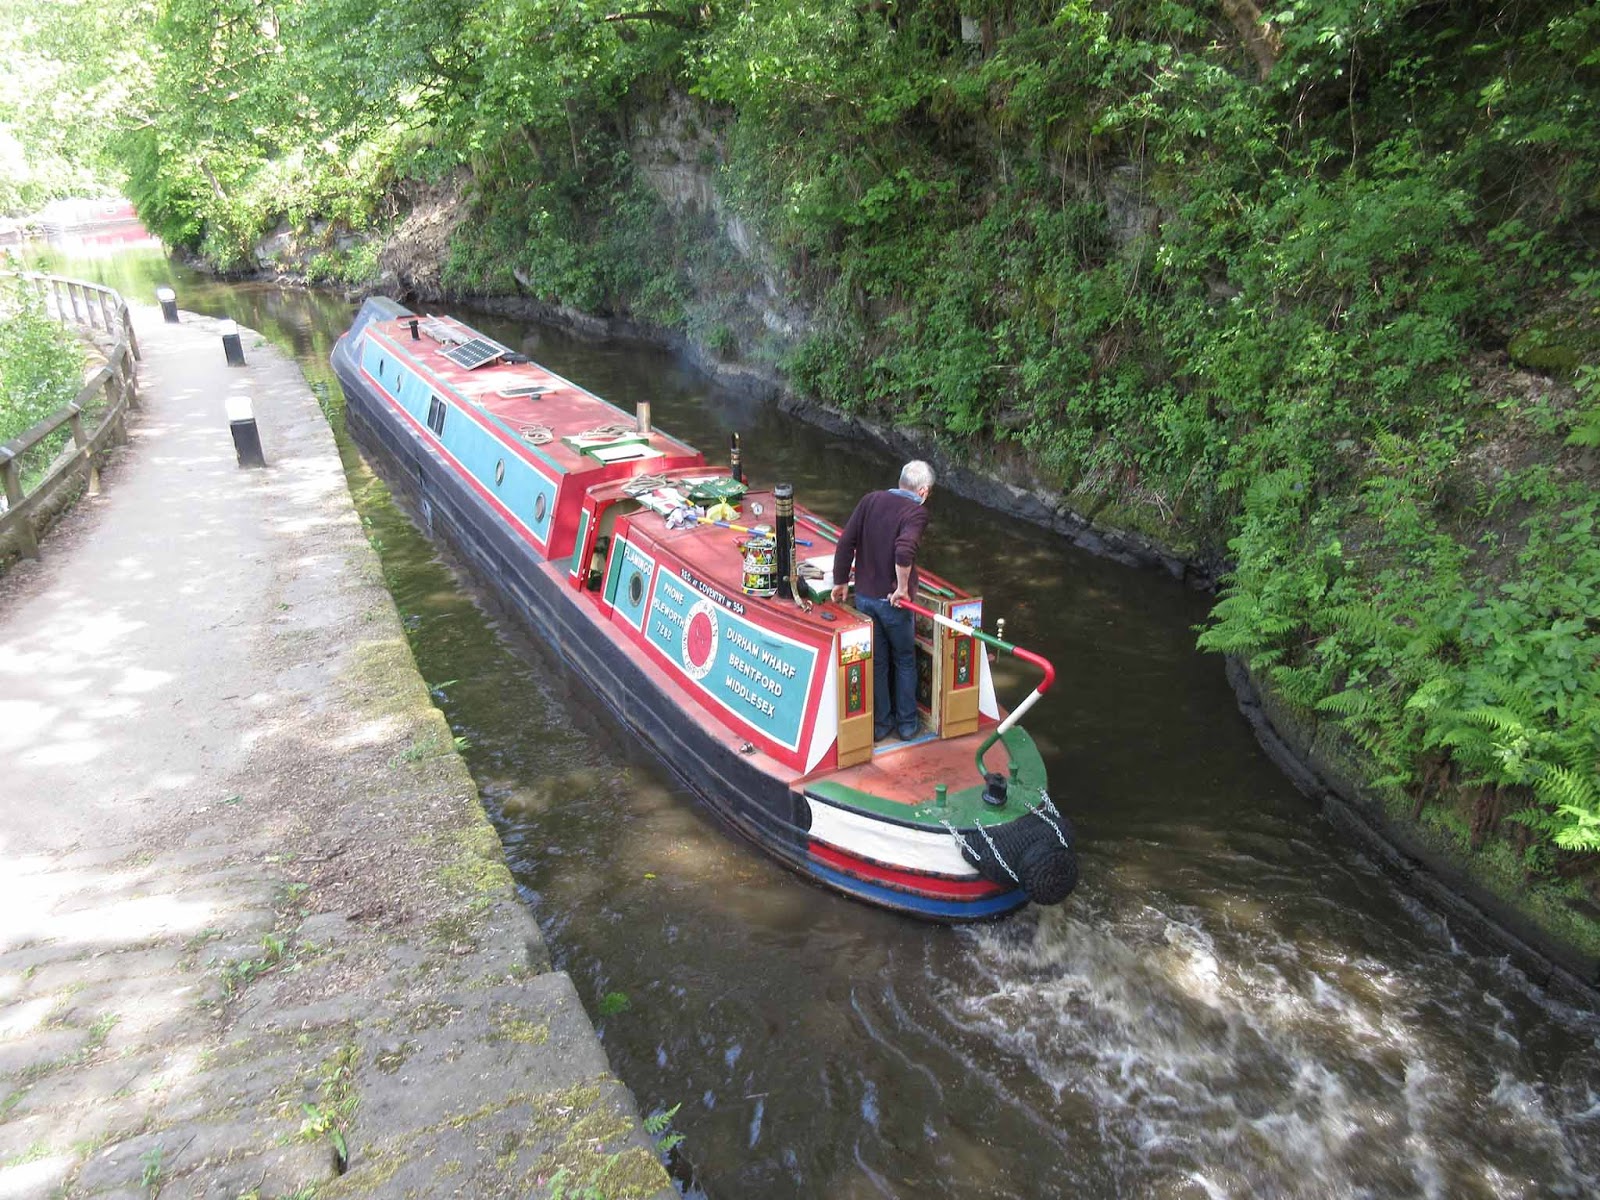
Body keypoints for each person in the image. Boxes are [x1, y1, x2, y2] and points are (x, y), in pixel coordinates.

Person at [831, 461, 935, 741]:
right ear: (923, 490)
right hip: (893, 604)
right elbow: (904, 551)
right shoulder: (916, 512)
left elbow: (846, 542)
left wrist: (840, 581)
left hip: (865, 598)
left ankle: (881, 723)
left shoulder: (870, 500)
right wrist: (902, 588)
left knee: (877, 661)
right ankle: (907, 724)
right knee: (904, 660)